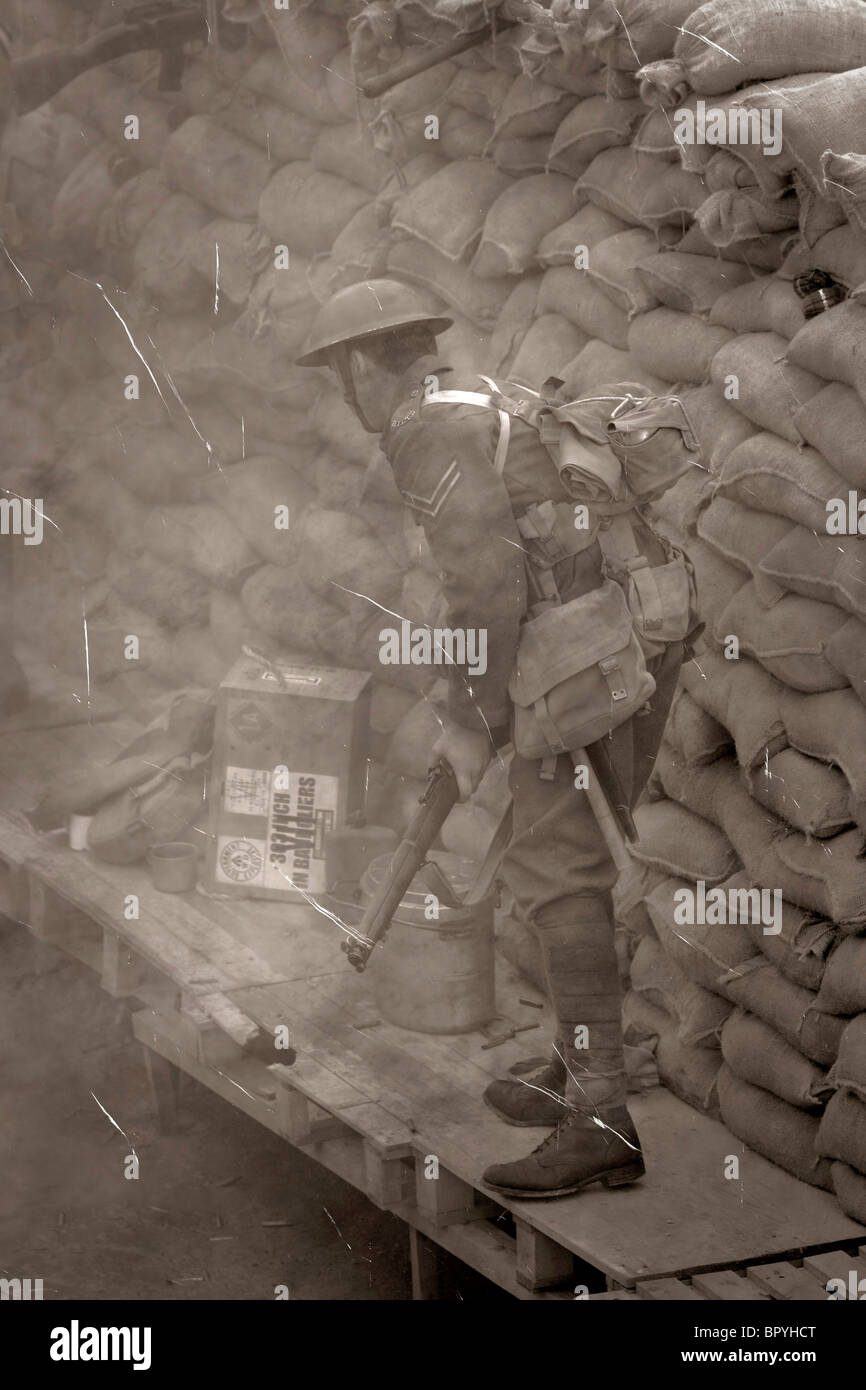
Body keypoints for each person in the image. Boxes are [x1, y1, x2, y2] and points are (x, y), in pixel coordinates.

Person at [296, 278, 689, 1199]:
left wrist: (474, 724)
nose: (341, 395)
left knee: (556, 864)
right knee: (559, 850)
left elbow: (488, 593)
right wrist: (465, 704)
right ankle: (576, 1063)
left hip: (592, 647)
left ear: (359, 365)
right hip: (613, 624)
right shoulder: (468, 395)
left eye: (336, 375)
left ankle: (602, 1117)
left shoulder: (425, 429)